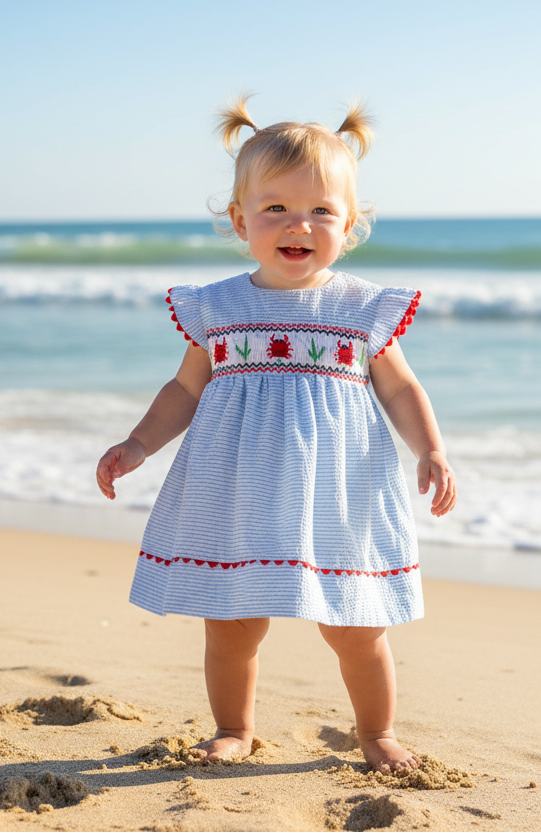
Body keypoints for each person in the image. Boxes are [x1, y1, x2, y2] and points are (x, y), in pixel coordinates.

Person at [96, 96, 457, 773]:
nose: (301, 224)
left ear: (349, 225)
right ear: (239, 220)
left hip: (339, 487)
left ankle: (377, 732)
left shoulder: (359, 307)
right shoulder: (219, 306)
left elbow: (401, 387)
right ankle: (234, 726)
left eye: (322, 210)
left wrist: (431, 450)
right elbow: (184, 389)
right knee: (232, 622)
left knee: (355, 622)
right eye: (276, 209)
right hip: (236, 484)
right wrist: (139, 442)